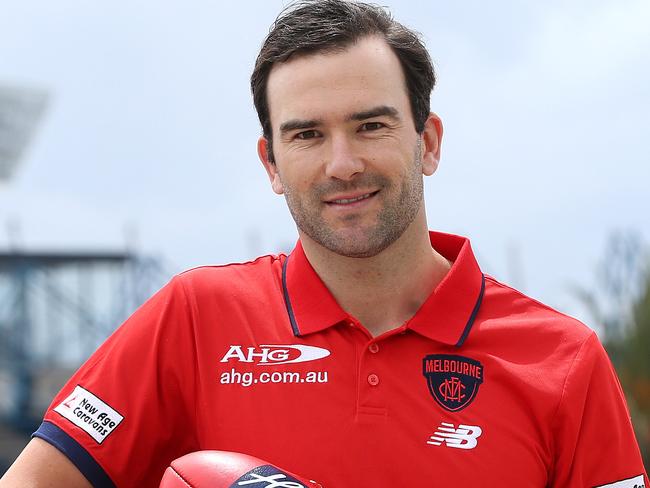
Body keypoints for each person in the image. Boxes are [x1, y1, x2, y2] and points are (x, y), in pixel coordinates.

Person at [1, 0, 647, 486]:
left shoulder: (565, 363)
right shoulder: (194, 319)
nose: (342, 164)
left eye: (370, 125)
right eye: (307, 135)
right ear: (271, 165)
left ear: (428, 143)